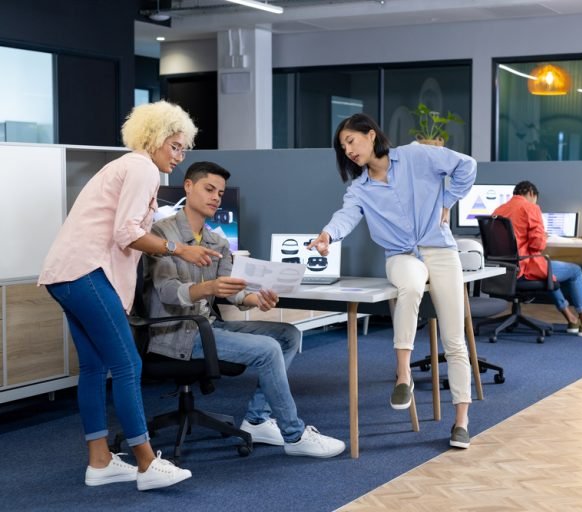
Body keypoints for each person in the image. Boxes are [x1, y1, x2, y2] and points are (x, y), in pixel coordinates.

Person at [38, 101, 222, 491]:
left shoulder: (122, 166)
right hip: (86, 271)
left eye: (183, 147)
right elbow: (126, 233)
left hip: (64, 273)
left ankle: (100, 461)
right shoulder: (141, 167)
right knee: (127, 365)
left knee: (93, 368)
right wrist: (180, 249)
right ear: (154, 139)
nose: (179, 155)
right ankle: (147, 462)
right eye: (175, 145)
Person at [145, 161, 346, 458]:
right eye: (209, 189)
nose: (216, 197)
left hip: (208, 325)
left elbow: (235, 290)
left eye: (221, 192)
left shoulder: (217, 240)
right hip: (178, 333)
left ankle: (256, 420)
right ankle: (294, 435)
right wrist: (210, 288)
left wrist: (256, 299)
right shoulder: (163, 235)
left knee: (288, 335)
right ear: (188, 186)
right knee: (267, 350)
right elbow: (168, 292)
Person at [307, 113, 477, 449]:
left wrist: (447, 200)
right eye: (343, 148)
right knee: (410, 287)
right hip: (401, 255)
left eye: (351, 141)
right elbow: (345, 217)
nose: (348, 151)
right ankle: (403, 374)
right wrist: (328, 234)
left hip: (439, 249)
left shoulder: (415, 155)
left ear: (371, 135)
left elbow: (466, 165)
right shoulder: (359, 189)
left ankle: (462, 420)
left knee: (454, 339)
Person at [492, 180, 582, 337]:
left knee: (548, 271)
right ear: (531, 193)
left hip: (504, 271)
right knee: (574, 271)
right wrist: (542, 236)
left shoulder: (498, 210)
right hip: (524, 268)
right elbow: (537, 245)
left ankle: (571, 319)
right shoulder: (530, 207)